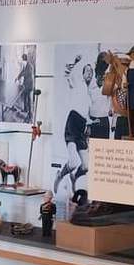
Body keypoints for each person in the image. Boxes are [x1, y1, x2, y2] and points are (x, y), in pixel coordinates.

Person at [53, 55, 91, 196]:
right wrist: (75, 61)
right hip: (73, 122)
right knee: (74, 161)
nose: (89, 74)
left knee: (86, 166)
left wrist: (88, 125)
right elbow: (66, 72)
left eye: (91, 72)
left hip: (82, 126)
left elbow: (87, 112)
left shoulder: (89, 91)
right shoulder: (77, 83)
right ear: (82, 73)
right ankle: (60, 175)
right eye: (87, 71)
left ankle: (74, 176)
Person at [86, 59, 112, 140]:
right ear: (96, 76)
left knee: (104, 145)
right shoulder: (90, 89)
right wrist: (88, 124)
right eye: (99, 76)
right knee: (92, 145)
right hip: (93, 120)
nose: (101, 78)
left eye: (103, 77)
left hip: (104, 121)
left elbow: (111, 102)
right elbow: (87, 107)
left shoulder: (108, 89)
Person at [15, 52, 35, 119]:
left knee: (28, 99)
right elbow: (22, 72)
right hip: (25, 84)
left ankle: (30, 113)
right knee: (25, 97)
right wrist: (17, 77)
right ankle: (25, 109)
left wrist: (20, 77)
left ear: (24, 60)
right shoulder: (25, 65)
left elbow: (26, 73)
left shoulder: (30, 66)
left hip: (29, 85)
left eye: (22, 60)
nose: (22, 62)